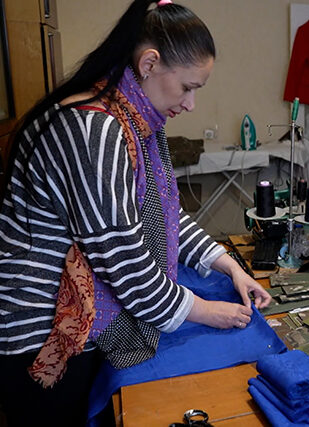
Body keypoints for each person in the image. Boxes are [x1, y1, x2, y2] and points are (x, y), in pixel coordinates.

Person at [0, 1, 271, 425]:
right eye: (187, 87)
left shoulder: (133, 122)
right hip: (41, 335)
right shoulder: (96, 129)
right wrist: (205, 311)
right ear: (148, 64)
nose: (191, 104)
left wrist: (229, 266)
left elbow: (164, 219)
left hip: (65, 320)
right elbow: (124, 262)